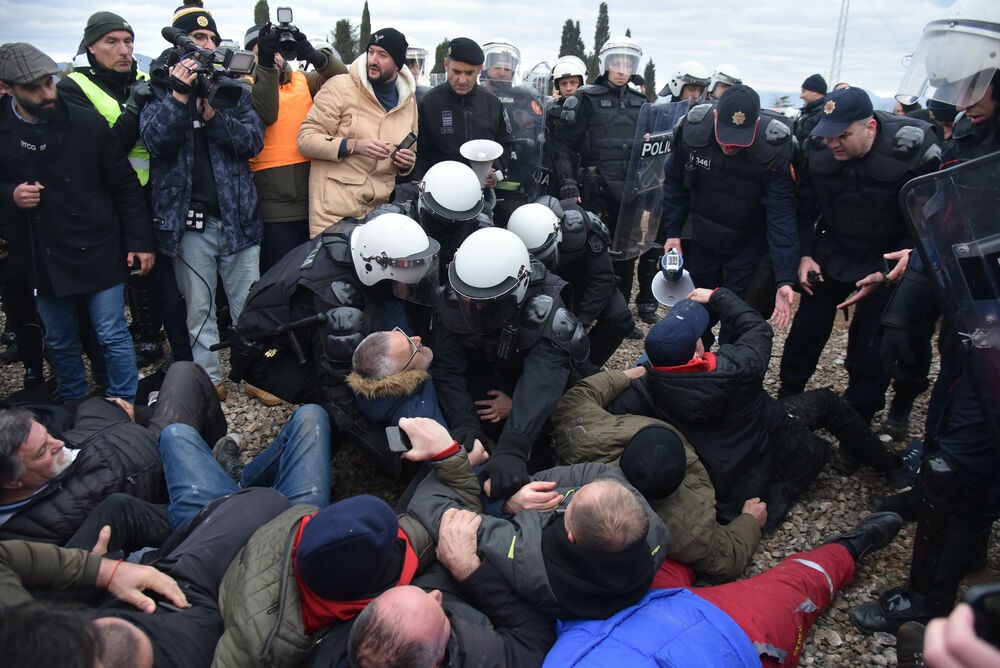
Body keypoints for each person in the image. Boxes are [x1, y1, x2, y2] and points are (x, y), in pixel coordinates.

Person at [851, 0, 1000, 633]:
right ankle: (961, 535)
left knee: (958, 457)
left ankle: (930, 594)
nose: (960, 98)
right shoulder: (969, 135)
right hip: (969, 316)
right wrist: (908, 292)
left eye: (973, 82)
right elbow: (950, 217)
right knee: (946, 428)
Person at [607, 290, 914, 529]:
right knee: (827, 403)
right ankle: (892, 467)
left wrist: (620, 378)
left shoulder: (643, 386)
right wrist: (718, 296)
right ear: (697, 349)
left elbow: (601, 409)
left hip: (708, 467)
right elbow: (757, 327)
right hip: (761, 449)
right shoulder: (738, 368)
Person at [212, 421, 484, 668]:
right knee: (178, 435)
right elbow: (461, 517)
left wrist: (446, 455)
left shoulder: (304, 527)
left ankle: (241, 481)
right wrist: (445, 451)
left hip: (254, 520)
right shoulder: (257, 644)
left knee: (310, 417)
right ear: (374, 591)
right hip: (236, 592)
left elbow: (451, 517)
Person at [542, 512, 904, 668]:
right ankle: (850, 548)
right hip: (724, 633)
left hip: (611, 612)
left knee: (666, 554)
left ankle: (718, 538)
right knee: (798, 585)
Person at [0, 42, 155, 403]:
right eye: (34, 88)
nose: (46, 93)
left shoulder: (85, 122)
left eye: (49, 83)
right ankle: (71, 402)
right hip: (42, 251)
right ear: (7, 88)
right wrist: (10, 194)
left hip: (97, 242)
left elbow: (124, 184)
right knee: (58, 337)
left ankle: (123, 401)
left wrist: (140, 241)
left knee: (111, 331)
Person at [230, 213, 442, 475]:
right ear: (376, 273)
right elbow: (339, 397)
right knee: (326, 415)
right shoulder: (339, 305)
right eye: (404, 284)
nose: (409, 290)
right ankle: (250, 478)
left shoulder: (364, 241)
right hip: (270, 357)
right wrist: (391, 456)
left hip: (300, 325)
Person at [777, 86, 941, 423]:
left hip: (887, 259)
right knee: (805, 332)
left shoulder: (911, 152)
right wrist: (805, 254)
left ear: (870, 128)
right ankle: (787, 402)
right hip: (834, 249)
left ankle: (858, 421)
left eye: (843, 135)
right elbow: (804, 209)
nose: (833, 142)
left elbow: (930, 221)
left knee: (871, 349)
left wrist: (890, 269)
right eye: (828, 134)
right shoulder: (817, 148)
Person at [404, 417, 671, 621]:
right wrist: (514, 495)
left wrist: (446, 455)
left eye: (571, 501)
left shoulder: (524, 554)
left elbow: (438, 510)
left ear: (571, 536)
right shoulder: (649, 530)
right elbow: (598, 472)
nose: (568, 495)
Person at [0, 487, 293, 668]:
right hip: (229, 607)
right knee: (296, 510)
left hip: (162, 570)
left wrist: (104, 571)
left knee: (270, 501)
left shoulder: (15, 629)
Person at [141, 0, 265, 400]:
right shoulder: (160, 86)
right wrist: (180, 99)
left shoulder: (231, 87)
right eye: (198, 37)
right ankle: (209, 378)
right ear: (181, 43)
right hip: (188, 222)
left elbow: (251, 142)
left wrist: (213, 113)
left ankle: (258, 374)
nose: (207, 44)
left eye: (212, 37)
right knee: (199, 307)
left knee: (249, 303)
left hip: (238, 218)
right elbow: (155, 143)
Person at [58, 11, 193, 372]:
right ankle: (110, 371)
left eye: (128, 41)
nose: (124, 50)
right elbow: (99, 152)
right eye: (112, 42)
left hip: (154, 195)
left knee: (164, 284)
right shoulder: (73, 88)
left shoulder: (149, 78)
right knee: (111, 288)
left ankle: (178, 360)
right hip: (103, 199)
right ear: (91, 46)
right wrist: (135, 109)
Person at [552, 367, 766, 581]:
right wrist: (750, 521)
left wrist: (625, 375)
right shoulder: (689, 531)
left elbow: (578, 396)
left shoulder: (587, 437)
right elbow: (727, 559)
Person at [432, 227, 590, 499]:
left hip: (527, 377)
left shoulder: (545, 305)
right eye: (470, 300)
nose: (476, 309)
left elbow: (544, 376)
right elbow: (446, 366)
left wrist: (514, 444)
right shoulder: (456, 294)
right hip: (487, 369)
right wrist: (463, 422)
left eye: (487, 301)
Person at [657, 84, 798, 337]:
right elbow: (675, 187)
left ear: (755, 125)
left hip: (747, 245)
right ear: (715, 117)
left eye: (739, 137)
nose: (731, 145)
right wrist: (673, 233)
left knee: (736, 316)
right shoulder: (693, 134)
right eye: (726, 135)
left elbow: (782, 218)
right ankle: (691, 367)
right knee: (695, 311)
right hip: (703, 237)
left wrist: (784, 278)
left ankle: (729, 368)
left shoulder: (774, 152)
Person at [346, 508, 555, 668]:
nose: (435, 594)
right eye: (441, 614)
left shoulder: (345, 649)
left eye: (422, 592)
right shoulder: (484, 655)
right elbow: (537, 637)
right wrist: (470, 572)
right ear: (436, 662)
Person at [554, 36, 647, 312]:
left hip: (630, 191)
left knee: (627, 254)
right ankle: (583, 311)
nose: (621, 69)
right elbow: (564, 145)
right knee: (591, 250)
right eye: (616, 62)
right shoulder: (586, 98)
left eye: (627, 63)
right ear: (606, 64)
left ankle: (620, 314)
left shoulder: (640, 102)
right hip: (595, 189)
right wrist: (569, 185)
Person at [243, 22, 345, 271]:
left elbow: (342, 80)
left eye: (276, 50)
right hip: (275, 208)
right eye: (264, 51)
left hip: (313, 200)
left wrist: (315, 56)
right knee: (281, 275)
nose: (273, 56)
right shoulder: (245, 84)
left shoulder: (302, 80)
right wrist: (265, 67)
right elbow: (267, 112)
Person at [298, 27, 418, 238]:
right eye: (371, 51)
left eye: (383, 55)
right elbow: (305, 139)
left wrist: (406, 163)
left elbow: (411, 151)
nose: (373, 59)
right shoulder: (340, 87)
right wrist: (353, 145)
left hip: (379, 215)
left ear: (398, 64)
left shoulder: (409, 101)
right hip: (333, 214)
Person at [506, 197, 634, 368]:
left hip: (582, 284)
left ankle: (586, 366)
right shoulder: (514, 234)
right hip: (540, 289)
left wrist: (583, 319)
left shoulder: (585, 230)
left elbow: (602, 278)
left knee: (620, 319)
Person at [412, 37, 514, 183]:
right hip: (438, 188)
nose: (462, 80)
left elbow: (505, 145)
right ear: (446, 65)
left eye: (469, 73)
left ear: (480, 69)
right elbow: (419, 151)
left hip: (480, 190)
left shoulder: (493, 104)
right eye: (457, 72)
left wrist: (494, 170)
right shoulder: (429, 103)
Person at [346, 327, 449, 431]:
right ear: (403, 373)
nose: (417, 339)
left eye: (407, 337)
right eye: (411, 347)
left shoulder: (368, 374)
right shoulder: (421, 420)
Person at [792, 73, 827, 143]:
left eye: (803, 92)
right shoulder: (810, 112)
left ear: (815, 91)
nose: (801, 96)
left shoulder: (824, 114)